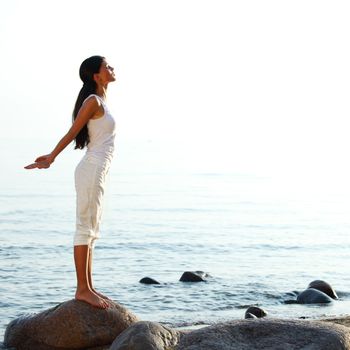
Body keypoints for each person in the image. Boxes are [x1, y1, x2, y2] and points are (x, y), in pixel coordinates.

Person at [25, 55, 116, 309]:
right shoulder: (93, 101)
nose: (111, 68)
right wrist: (51, 157)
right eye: (106, 66)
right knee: (84, 227)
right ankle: (82, 289)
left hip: (99, 170)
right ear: (96, 76)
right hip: (91, 169)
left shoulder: (103, 101)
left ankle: (89, 286)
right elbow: (72, 131)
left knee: (92, 228)